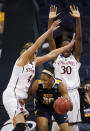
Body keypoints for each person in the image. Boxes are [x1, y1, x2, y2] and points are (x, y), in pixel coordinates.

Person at [2, 20, 75, 131]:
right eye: (33, 52)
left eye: (36, 53)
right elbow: (37, 43)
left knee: (23, 128)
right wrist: (50, 30)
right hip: (12, 96)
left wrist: (69, 45)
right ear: (27, 52)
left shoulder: (34, 62)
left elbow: (52, 54)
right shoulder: (22, 60)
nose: (35, 55)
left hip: (19, 99)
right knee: (21, 126)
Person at [48, 5, 82, 131]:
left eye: (68, 46)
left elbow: (78, 39)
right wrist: (50, 21)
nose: (66, 48)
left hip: (73, 93)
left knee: (73, 126)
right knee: (56, 125)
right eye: (63, 46)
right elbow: (50, 39)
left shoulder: (75, 57)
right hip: (59, 93)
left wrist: (78, 20)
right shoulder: (57, 58)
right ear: (60, 48)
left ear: (71, 48)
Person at [21, 64, 73, 131]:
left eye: (45, 80)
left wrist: (69, 104)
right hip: (42, 107)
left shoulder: (60, 85)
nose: (42, 82)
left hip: (57, 107)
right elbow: (29, 94)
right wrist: (21, 104)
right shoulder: (37, 83)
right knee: (43, 128)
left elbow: (68, 100)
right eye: (41, 79)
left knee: (65, 129)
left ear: (51, 78)